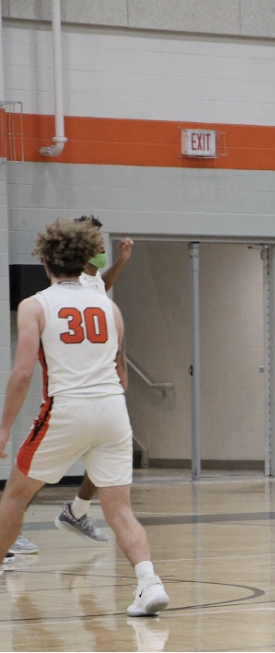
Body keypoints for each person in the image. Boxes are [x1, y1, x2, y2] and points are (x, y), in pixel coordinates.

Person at [0, 218, 168, 616]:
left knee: (16, 496)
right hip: (112, 409)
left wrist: (5, 425)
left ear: (45, 260)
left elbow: (23, 373)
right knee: (119, 508)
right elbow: (120, 368)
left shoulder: (35, 304)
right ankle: (149, 583)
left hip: (67, 408)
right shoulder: (109, 308)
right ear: (84, 259)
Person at [10, 216, 134, 556]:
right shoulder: (63, 289)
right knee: (31, 476)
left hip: (96, 392)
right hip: (70, 393)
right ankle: (16, 525)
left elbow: (103, 293)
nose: (100, 248)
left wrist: (121, 261)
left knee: (98, 459)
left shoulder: (93, 287)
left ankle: (77, 510)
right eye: (95, 241)